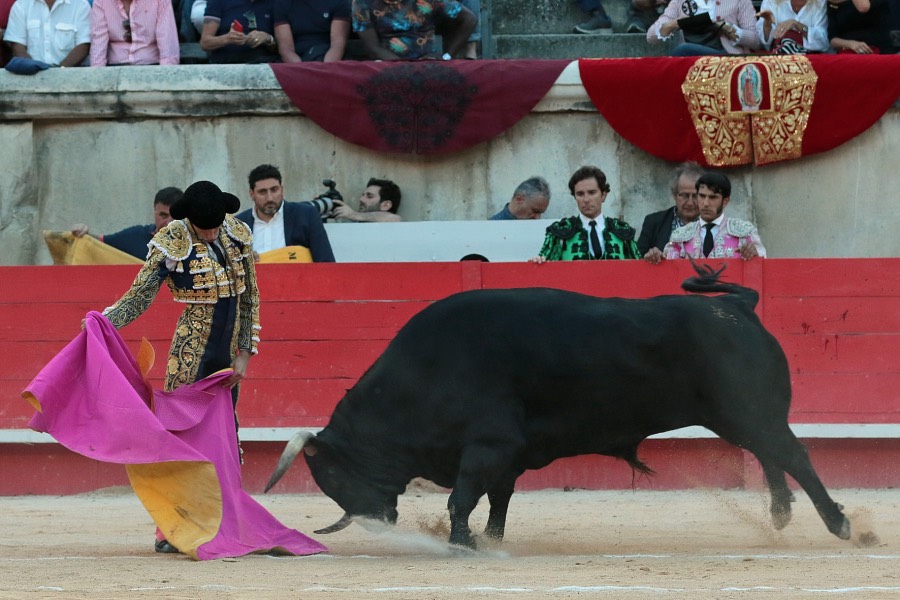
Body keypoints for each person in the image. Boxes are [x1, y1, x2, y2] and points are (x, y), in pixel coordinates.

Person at [98, 180, 260, 553]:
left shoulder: (236, 232)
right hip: (192, 351)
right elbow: (140, 296)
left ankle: (224, 521)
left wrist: (245, 352)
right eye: (206, 229)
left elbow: (250, 296)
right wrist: (106, 322)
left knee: (226, 436)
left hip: (227, 357)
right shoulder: (172, 240)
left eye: (216, 226)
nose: (213, 233)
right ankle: (168, 527)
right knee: (181, 436)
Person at [530, 165, 639, 262]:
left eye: (592, 193)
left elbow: (638, 269)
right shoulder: (559, 231)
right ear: (575, 197)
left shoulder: (622, 231)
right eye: (580, 194)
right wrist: (538, 262)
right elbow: (545, 268)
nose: (586, 199)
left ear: (603, 195)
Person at [235, 164, 336, 261]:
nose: (270, 198)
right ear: (252, 194)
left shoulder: (306, 215)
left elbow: (326, 264)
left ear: (282, 190)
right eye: (262, 192)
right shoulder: (237, 225)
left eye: (274, 190)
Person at [663, 171, 766, 261]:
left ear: (725, 201)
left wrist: (754, 254)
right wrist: (658, 260)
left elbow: (763, 262)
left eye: (712, 197)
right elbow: (669, 269)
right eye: (702, 196)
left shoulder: (744, 233)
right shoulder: (680, 237)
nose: (705, 203)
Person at [71, 187, 182, 260]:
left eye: (175, 216)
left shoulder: (192, 241)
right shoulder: (135, 236)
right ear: (154, 210)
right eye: (163, 215)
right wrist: (83, 232)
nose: (169, 223)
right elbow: (98, 243)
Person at [351, 0, 476, 60]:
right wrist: (407, 69)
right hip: (387, 65)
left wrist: (447, 56)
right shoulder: (361, 3)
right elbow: (373, 47)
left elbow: (469, 19)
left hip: (428, 63)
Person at [636, 162, 704, 264]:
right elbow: (637, 259)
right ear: (674, 194)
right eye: (684, 195)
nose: (690, 202)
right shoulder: (654, 222)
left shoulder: (713, 225)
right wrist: (651, 256)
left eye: (695, 196)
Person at [647, 0, 760, 56]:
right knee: (684, 50)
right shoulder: (679, 2)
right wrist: (675, 24)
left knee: (683, 50)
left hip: (726, 55)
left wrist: (727, 28)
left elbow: (756, 40)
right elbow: (651, 37)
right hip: (689, 58)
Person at [89, 0, 180, 66]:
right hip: (114, 68)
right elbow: (98, 46)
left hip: (151, 66)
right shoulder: (101, 2)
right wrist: (98, 78)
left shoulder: (160, 1)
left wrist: (165, 80)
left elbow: (168, 49)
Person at [4, 0, 91, 67]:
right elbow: (18, 47)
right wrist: (33, 70)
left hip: (72, 75)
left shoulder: (81, 5)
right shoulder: (21, 5)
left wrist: (60, 71)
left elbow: (84, 45)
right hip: (30, 76)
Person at [200, 0, 278, 64]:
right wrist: (227, 38)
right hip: (226, 64)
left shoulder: (275, 3)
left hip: (263, 64)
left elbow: (282, 48)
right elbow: (205, 43)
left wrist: (268, 38)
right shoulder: (218, 1)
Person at [274, 0, 349, 62]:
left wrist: (325, 69)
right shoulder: (281, 3)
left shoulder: (338, 2)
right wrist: (302, 70)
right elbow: (286, 49)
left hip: (327, 54)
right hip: (297, 58)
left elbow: (337, 45)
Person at [755, 0, 828, 54]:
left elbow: (824, 42)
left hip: (811, 58)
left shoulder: (820, 2)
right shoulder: (771, 1)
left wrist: (798, 25)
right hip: (779, 56)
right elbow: (763, 43)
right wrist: (767, 25)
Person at [827, 0, 896, 54]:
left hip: (878, 50)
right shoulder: (834, 2)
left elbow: (863, 7)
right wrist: (851, 44)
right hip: (849, 53)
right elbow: (833, 39)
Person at [331, 177, 403, 223]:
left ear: (386, 205)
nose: (361, 199)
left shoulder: (393, 224)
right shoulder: (355, 221)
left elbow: (394, 219)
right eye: (363, 195)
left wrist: (352, 214)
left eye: (369, 196)